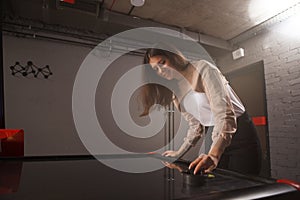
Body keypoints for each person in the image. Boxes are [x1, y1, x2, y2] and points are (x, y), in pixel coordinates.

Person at [139, 44, 262, 175]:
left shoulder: (203, 68)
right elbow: (196, 126)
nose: (160, 70)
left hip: (239, 131)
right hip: (212, 133)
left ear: (174, 57)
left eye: (162, 63)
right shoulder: (176, 92)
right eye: (156, 69)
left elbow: (224, 115)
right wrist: (178, 153)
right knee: (215, 184)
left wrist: (214, 155)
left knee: (244, 185)